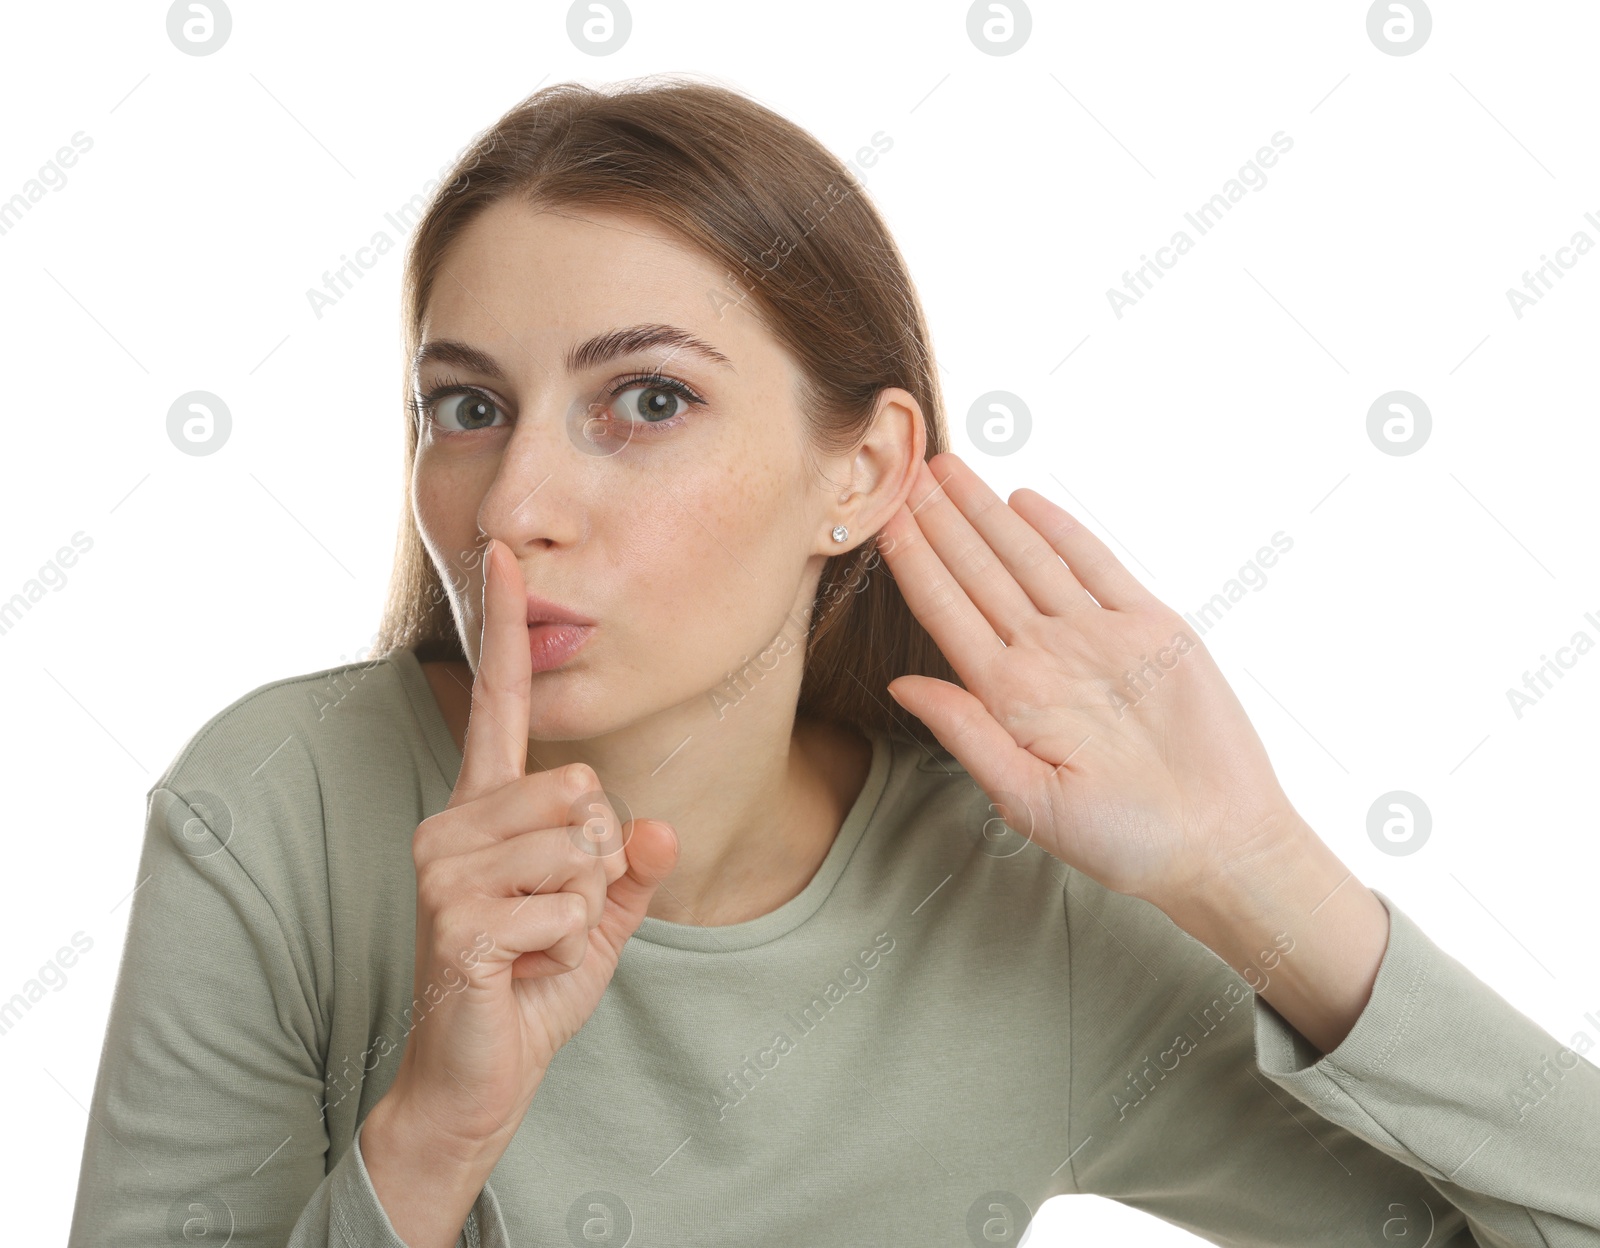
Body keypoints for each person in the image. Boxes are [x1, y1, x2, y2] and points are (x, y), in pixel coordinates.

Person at [67, 74, 1599, 1248]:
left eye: (647, 401)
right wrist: (426, 1145)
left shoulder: (1012, 915)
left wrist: (1257, 874)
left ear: (860, 475)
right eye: (468, 409)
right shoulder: (277, 810)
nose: (516, 508)